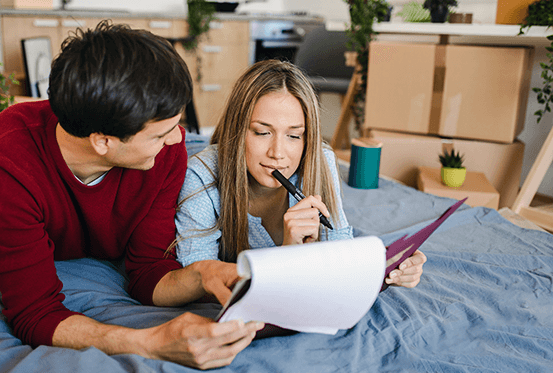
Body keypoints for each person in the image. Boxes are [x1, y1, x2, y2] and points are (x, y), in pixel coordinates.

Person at [0, 21, 262, 370]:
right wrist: (149, 343)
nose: (177, 140)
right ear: (103, 140)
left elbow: (149, 270)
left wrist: (203, 274)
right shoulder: (1, 165)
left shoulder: (166, 154)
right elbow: (35, 313)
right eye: (160, 133)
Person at [174, 60, 427, 304]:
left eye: (294, 136)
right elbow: (198, 277)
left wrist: (387, 269)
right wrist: (286, 256)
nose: (278, 153)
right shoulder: (202, 176)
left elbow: (340, 252)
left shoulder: (320, 161)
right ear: (237, 130)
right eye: (262, 132)